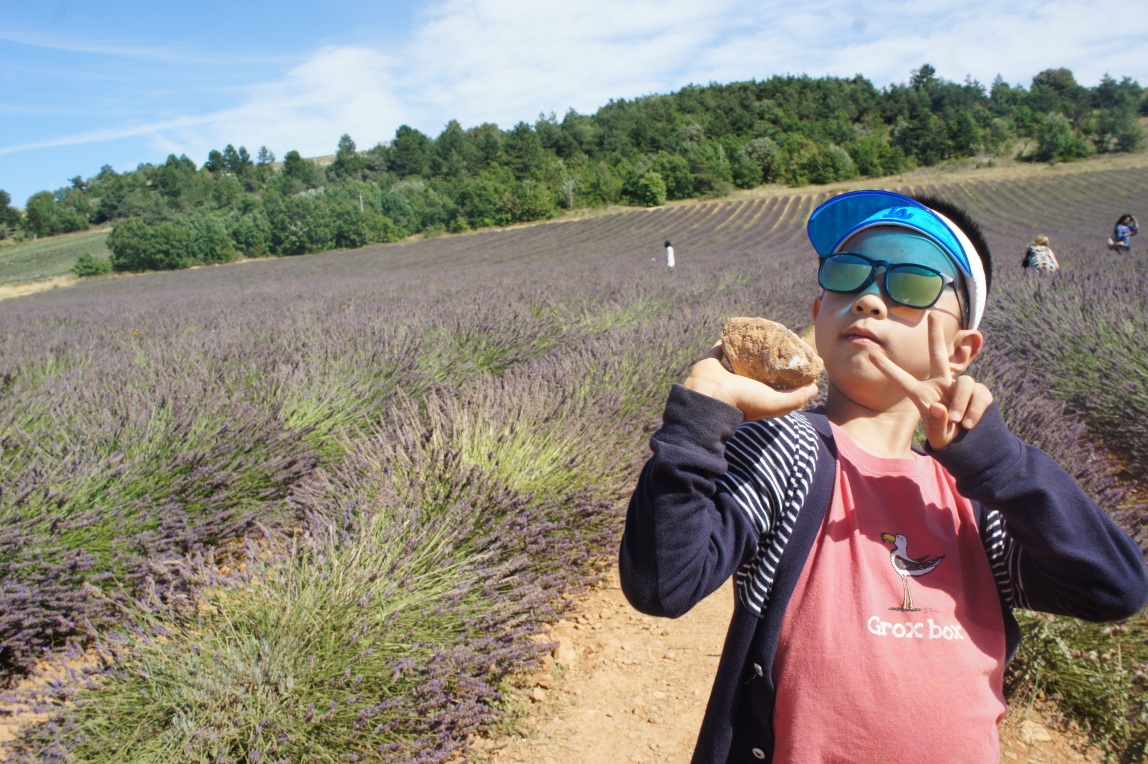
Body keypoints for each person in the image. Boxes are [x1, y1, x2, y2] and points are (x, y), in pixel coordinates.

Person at [619, 190, 1148, 764]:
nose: (869, 298)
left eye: (912, 284)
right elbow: (662, 583)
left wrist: (997, 462)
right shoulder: (788, 451)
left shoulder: (974, 501)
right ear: (818, 317)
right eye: (848, 275)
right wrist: (702, 415)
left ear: (963, 348)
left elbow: (1113, 588)